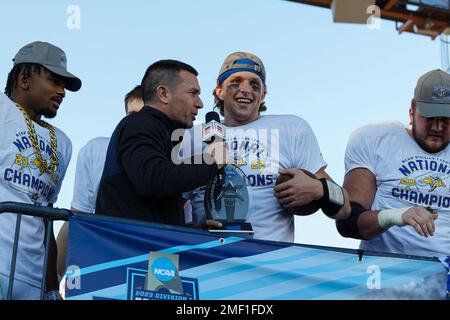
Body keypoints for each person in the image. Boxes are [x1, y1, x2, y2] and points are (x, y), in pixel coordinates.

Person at [186, 52, 350, 242]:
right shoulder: (191, 136)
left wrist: (319, 189)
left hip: (268, 262)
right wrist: (194, 232)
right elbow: (168, 211)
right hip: (204, 261)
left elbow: (345, 208)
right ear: (219, 91)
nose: (246, 89)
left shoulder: (290, 128)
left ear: (263, 95)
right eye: (236, 82)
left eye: (255, 85)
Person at [337, 69, 450, 258]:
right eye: (429, 118)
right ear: (411, 112)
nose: (437, 127)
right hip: (387, 272)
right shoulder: (375, 140)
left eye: (446, 119)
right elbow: (348, 221)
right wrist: (397, 216)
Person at [95, 59, 224, 225]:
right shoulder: (139, 125)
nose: (200, 103)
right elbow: (153, 180)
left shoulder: (162, 132)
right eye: (193, 93)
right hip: (130, 248)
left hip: (148, 247)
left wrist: (194, 233)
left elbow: (151, 210)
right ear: (164, 94)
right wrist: (211, 162)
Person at [0, 41, 81, 300]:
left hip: (32, 280)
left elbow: (46, 217)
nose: (62, 91)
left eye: (64, 86)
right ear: (24, 78)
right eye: (54, 81)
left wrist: (50, 287)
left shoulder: (63, 142)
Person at [55, 85, 144, 279]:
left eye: (144, 114)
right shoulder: (96, 150)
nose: (136, 122)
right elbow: (78, 215)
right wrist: (52, 282)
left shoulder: (174, 156)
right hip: (105, 259)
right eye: (131, 114)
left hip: (151, 262)